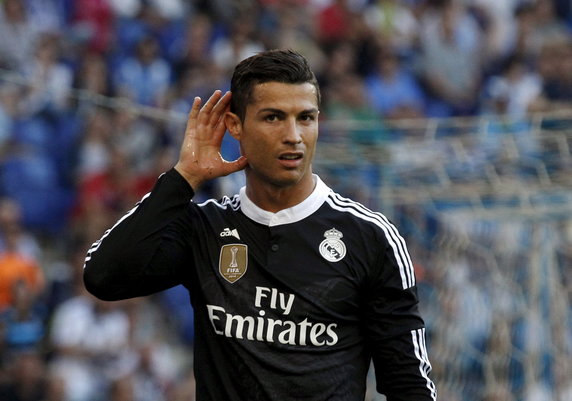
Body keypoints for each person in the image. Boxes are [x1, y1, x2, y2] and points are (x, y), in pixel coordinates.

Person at [83, 49, 436, 401]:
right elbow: (103, 276)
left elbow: (408, 385)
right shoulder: (204, 227)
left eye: (306, 118)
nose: (293, 135)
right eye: (273, 117)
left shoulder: (371, 237)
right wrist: (183, 177)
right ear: (235, 125)